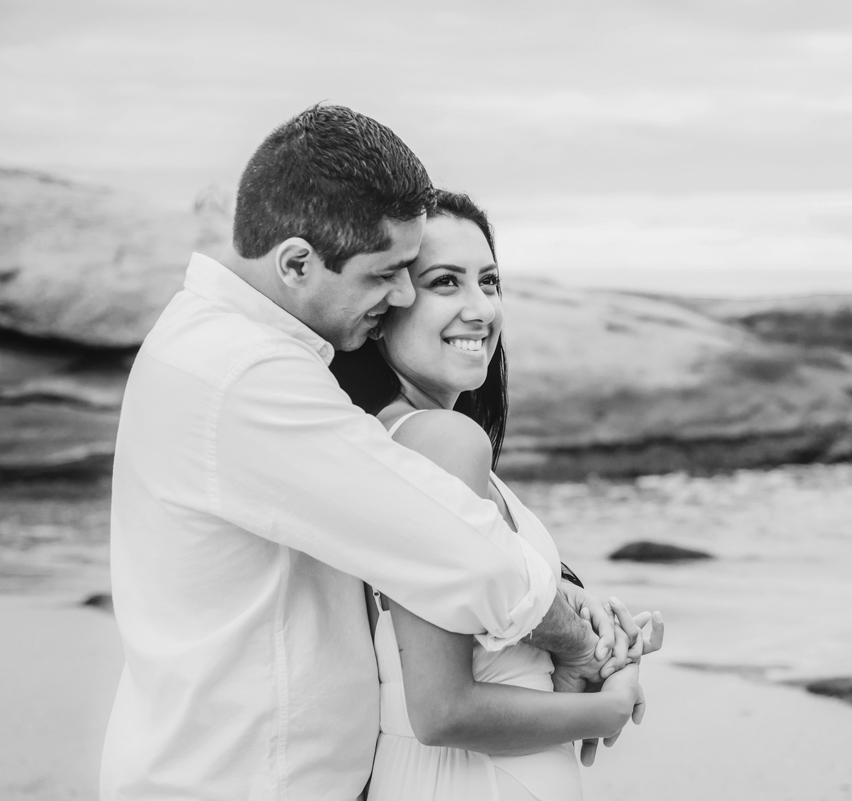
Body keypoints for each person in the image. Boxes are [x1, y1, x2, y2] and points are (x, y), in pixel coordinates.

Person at [100, 105, 627, 801]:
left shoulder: (240, 353)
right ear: (294, 261)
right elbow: (460, 556)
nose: (402, 292)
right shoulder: (244, 375)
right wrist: (585, 648)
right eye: (389, 274)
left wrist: (583, 610)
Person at [329, 190, 665, 801]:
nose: (479, 308)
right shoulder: (442, 442)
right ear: (385, 306)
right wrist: (611, 706)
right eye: (444, 283)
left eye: (488, 280)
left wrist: (592, 646)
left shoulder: (410, 443)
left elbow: (499, 645)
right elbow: (443, 710)